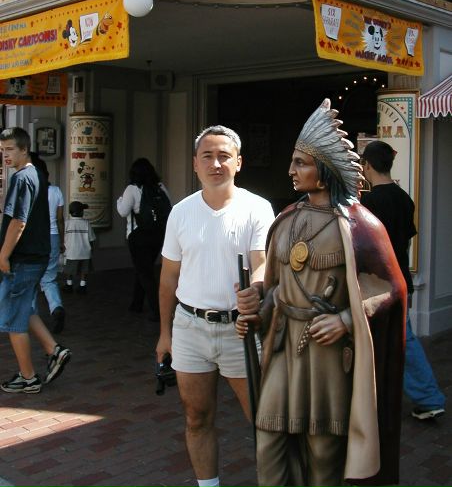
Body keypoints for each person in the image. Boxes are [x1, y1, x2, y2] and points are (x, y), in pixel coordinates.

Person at [236, 100, 406, 487]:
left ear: (325, 170)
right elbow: (274, 285)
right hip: (284, 347)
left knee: (323, 450)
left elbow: (392, 287)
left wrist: (346, 319)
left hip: (328, 354)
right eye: (293, 162)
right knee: (269, 438)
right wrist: (256, 302)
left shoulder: (361, 225)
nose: (291, 171)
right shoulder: (285, 220)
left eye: (301, 163)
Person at [156, 125, 275, 487]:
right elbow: (169, 278)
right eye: (207, 156)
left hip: (240, 330)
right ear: (195, 163)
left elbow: (262, 262)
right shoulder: (181, 212)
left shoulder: (257, 208)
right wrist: (164, 334)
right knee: (196, 418)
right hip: (190, 327)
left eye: (224, 156)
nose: (216, 163)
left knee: (263, 421)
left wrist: (257, 288)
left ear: (238, 162)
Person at [361, 140, 446, 421]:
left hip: (377, 285)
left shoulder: (369, 203)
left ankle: (427, 398)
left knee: (398, 341)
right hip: (400, 280)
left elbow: (365, 249)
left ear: (367, 165)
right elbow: (406, 243)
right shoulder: (404, 198)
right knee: (392, 341)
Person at [0, 127, 71, 394]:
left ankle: (28, 377)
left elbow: (18, 221)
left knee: (13, 319)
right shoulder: (37, 174)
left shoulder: (22, 178)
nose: (5, 155)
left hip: (22, 259)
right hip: (35, 256)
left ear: (24, 149)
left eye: (10, 149)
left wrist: (3, 254)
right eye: (2, 150)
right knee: (25, 309)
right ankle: (54, 350)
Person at [117, 158, 171, 321]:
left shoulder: (132, 189)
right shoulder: (160, 187)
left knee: (145, 273)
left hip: (138, 236)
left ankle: (158, 311)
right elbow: (169, 207)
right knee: (143, 269)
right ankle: (137, 303)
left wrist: (119, 201)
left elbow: (123, 211)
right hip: (158, 235)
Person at [30, 153, 66, 334]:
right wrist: (62, 241)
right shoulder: (56, 191)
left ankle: (32, 316)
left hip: (34, 238)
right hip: (52, 237)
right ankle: (56, 308)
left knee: (30, 279)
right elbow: (60, 220)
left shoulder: (29, 190)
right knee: (49, 278)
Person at [64, 201, 95, 294]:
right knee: (84, 270)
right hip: (85, 252)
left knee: (69, 270)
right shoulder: (86, 223)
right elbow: (91, 239)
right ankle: (82, 286)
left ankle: (69, 285)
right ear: (81, 212)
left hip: (71, 252)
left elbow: (63, 237)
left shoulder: (67, 223)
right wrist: (91, 249)